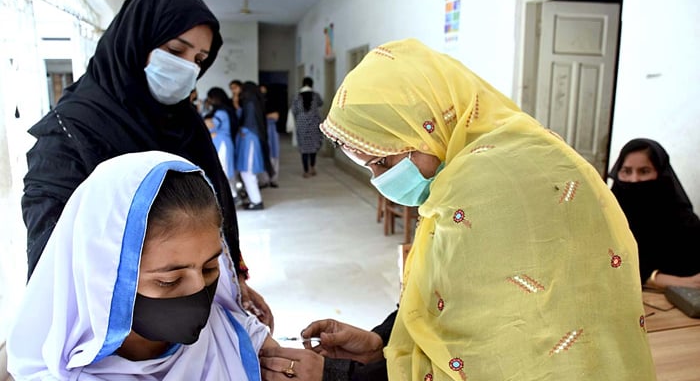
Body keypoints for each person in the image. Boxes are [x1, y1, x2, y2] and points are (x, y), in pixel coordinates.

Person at [260, 38, 656, 380]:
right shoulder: (476, 166)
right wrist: (381, 339)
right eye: (369, 167)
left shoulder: (487, 184)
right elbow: (450, 301)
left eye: (383, 162)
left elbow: (480, 353)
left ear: (428, 126)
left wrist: (338, 375)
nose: (379, 180)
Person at [20, 0, 273, 330]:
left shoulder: (186, 125)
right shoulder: (68, 134)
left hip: (196, 315)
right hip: (119, 332)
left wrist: (234, 281)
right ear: (135, 41)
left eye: (199, 60)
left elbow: (217, 212)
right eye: (174, 50)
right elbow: (52, 265)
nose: (188, 68)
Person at [7, 151, 278, 379]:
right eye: (168, 280)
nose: (199, 290)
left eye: (209, 269)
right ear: (104, 278)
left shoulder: (234, 337)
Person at [609, 138, 700, 289]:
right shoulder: (608, 219)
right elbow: (604, 266)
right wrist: (660, 280)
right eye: (626, 171)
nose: (634, 180)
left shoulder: (683, 220)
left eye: (644, 171)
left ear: (661, 173)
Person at [236, 81, 273, 210]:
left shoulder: (250, 103)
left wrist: (242, 131)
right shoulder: (255, 101)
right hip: (253, 138)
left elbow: (249, 124)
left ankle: (256, 202)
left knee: (248, 171)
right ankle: (254, 200)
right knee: (248, 172)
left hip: (250, 139)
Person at [290, 77, 323, 178]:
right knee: (313, 147)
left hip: (302, 125)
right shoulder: (316, 95)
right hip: (314, 124)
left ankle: (306, 171)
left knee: (304, 149)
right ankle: (312, 167)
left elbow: (294, 110)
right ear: (311, 85)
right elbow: (321, 103)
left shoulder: (297, 97)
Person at [205, 86, 238, 188]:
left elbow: (211, 125)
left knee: (224, 170)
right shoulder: (223, 111)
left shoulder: (221, 112)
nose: (209, 101)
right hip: (220, 143)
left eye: (210, 98)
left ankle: (232, 196)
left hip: (222, 144)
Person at [258, 84, 281, 188]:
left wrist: (264, 117)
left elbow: (276, 116)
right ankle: (264, 180)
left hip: (271, 132)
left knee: (274, 156)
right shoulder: (256, 104)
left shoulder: (272, 103)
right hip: (262, 132)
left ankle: (273, 179)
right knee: (262, 156)